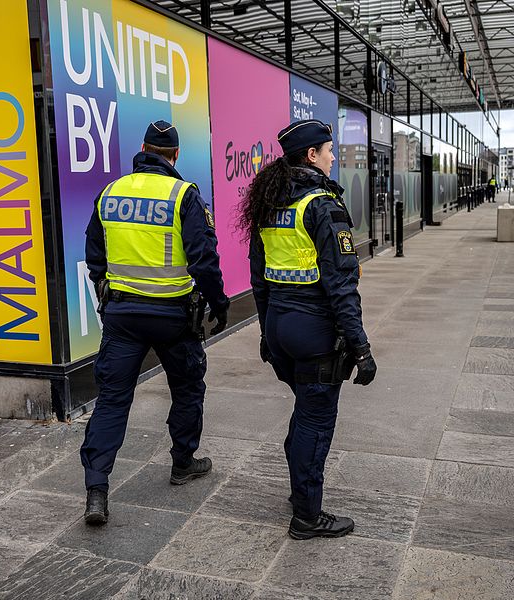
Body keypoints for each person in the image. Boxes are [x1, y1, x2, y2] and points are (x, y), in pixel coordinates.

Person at [81, 120, 230, 524]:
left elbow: (94, 250)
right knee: (186, 388)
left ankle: (97, 490)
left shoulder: (110, 192)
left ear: (142, 148)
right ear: (176, 155)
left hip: (122, 316)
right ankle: (183, 462)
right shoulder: (184, 195)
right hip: (172, 317)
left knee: (112, 401)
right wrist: (219, 304)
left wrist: (104, 290)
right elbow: (204, 260)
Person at [238, 119, 377, 540]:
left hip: (281, 326)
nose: (334, 157)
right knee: (316, 424)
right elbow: (341, 285)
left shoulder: (271, 202)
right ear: (312, 155)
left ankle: (300, 491)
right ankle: (307, 517)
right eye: (329, 150)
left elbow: (258, 279)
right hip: (315, 332)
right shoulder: (322, 205)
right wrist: (361, 346)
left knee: (304, 413)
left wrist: (266, 331)